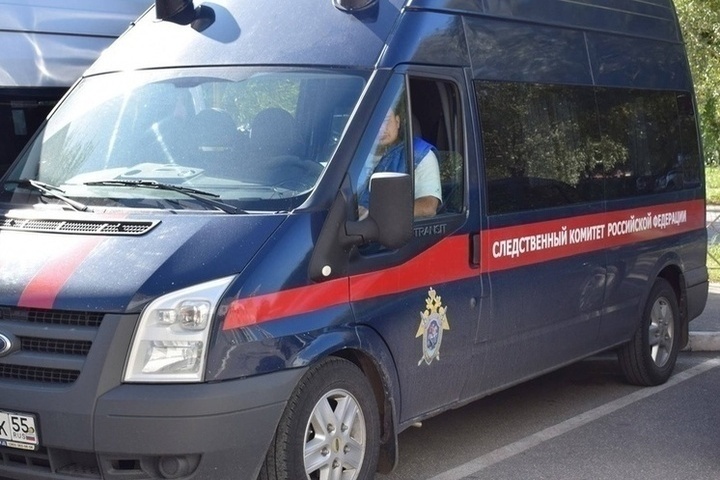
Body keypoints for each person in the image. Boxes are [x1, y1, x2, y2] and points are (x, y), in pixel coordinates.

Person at [357, 106, 442, 219]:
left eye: (386, 120)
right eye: (375, 122)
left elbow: (428, 207)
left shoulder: (418, 154)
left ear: (397, 122)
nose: (381, 128)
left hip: (389, 228)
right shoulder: (353, 155)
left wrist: (378, 214)